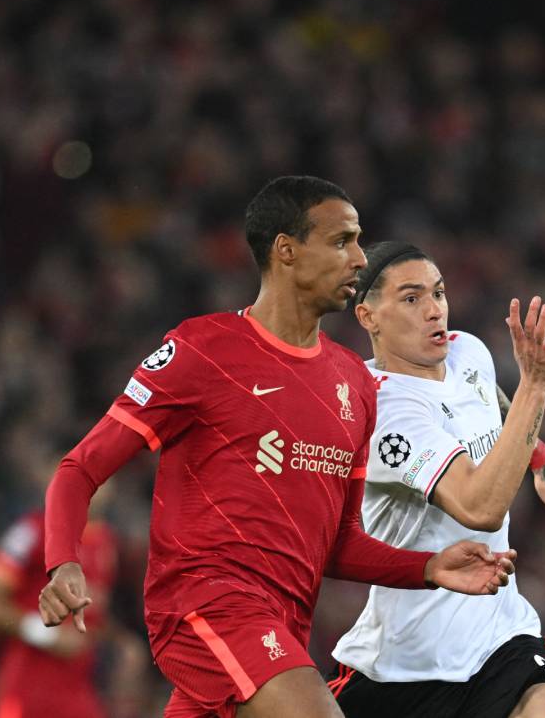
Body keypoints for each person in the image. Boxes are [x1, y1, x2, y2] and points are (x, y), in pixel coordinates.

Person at [37, 177, 517, 718]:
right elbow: (81, 468)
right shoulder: (203, 350)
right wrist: (63, 563)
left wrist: (428, 567)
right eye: (342, 241)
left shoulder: (354, 384)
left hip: (284, 623)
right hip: (206, 604)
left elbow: (338, 543)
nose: (360, 259)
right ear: (286, 250)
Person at [326, 241, 545, 718]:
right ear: (368, 317)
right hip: (407, 665)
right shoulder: (381, 408)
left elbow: (489, 400)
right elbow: (480, 509)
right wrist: (536, 387)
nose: (434, 310)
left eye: (438, 293)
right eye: (412, 298)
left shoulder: (468, 351)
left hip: (501, 638)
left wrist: (540, 460)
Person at [0, 490, 143, 718]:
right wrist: (46, 635)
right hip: (30, 689)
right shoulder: (34, 530)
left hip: (78, 689)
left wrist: (121, 642)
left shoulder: (105, 542)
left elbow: (88, 617)